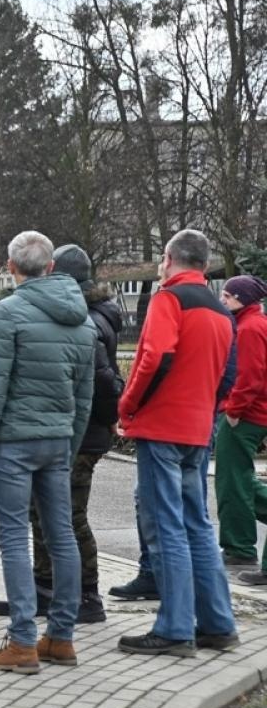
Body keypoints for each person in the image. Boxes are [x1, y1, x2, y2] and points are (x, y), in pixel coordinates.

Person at [0, 231, 96, 673]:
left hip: (13, 444)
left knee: (12, 539)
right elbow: (84, 397)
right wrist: (69, 444)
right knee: (62, 537)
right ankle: (61, 637)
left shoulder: (8, 313)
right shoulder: (83, 320)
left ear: (11, 267)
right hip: (57, 441)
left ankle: (21, 641)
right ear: (52, 267)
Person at [117, 229, 239, 656]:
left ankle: (174, 628)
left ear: (168, 258)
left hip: (161, 428)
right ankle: (218, 624)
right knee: (198, 526)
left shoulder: (170, 300)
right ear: (205, 264)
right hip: (198, 428)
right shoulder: (222, 313)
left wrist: (128, 406)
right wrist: (209, 408)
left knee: (167, 527)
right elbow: (229, 375)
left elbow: (155, 357)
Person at [0, 244, 122, 623]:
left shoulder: (84, 319)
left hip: (78, 434)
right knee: (44, 516)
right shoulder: (90, 312)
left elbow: (98, 380)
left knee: (68, 518)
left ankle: (87, 596)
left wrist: (105, 418)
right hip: (74, 429)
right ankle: (44, 589)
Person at [214, 274, 267, 580]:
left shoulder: (249, 328)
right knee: (239, 478)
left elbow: (250, 376)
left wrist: (234, 409)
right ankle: (239, 546)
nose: (223, 299)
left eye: (228, 295)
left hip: (246, 415)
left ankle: (239, 547)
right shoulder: (252, 324)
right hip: (253, 412)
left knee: (232, 479)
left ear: (242, 299)